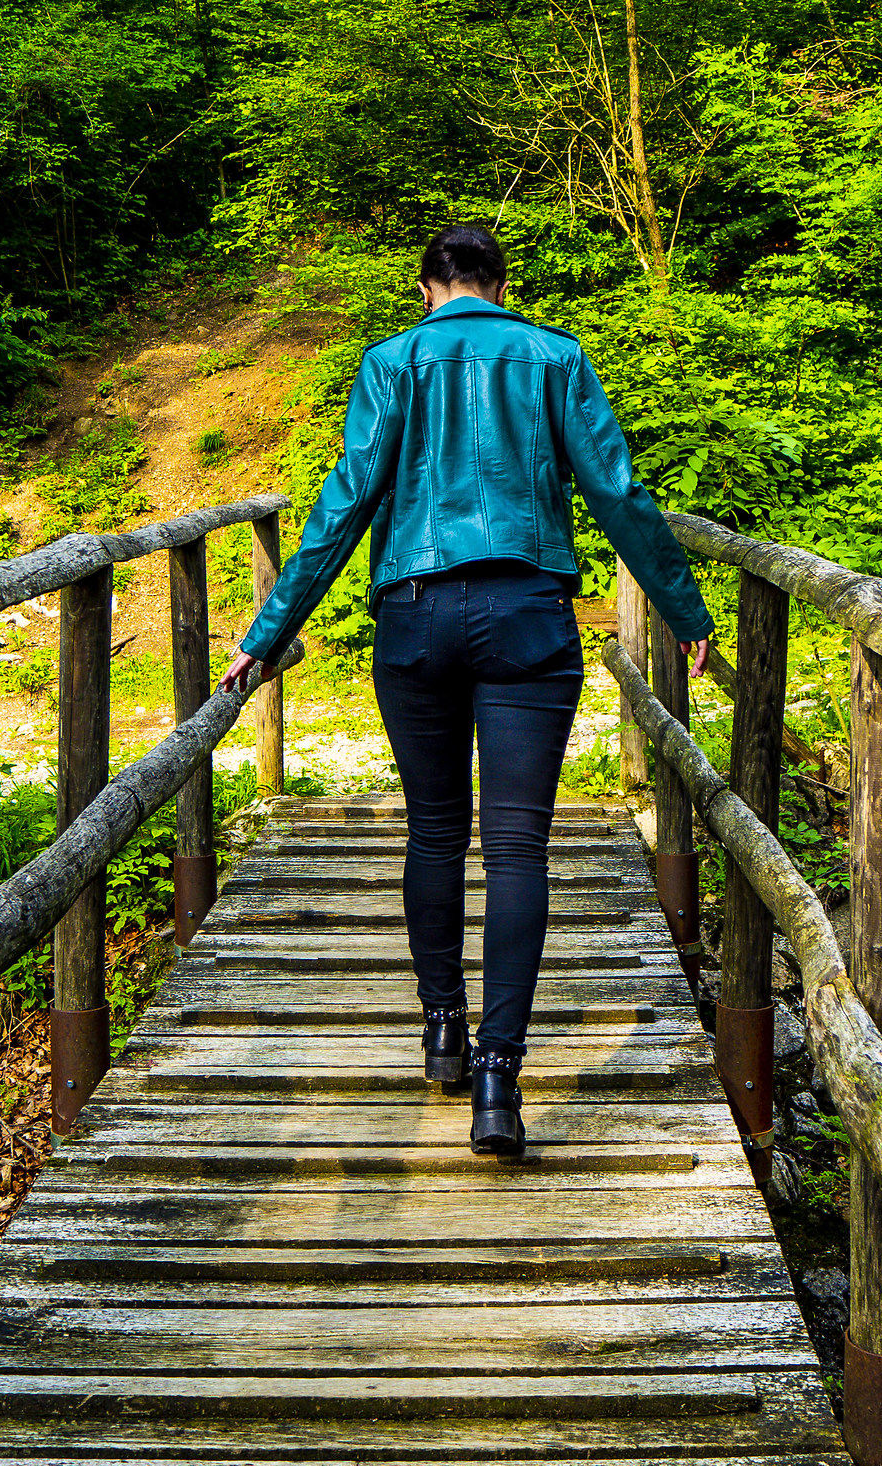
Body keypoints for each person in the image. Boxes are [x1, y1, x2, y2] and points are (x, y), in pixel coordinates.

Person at [220, 225, 713, 1157]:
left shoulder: (392, 362)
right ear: (500, 283)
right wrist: (685, 610)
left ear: (426, 288)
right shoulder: (553, 355)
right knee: (519, 847)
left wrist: (266, 635)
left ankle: (442, 1026)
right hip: (529, 609)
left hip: (416, 612)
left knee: (435, 831)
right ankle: (499, 1079)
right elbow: (618, 491)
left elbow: (346, 501)